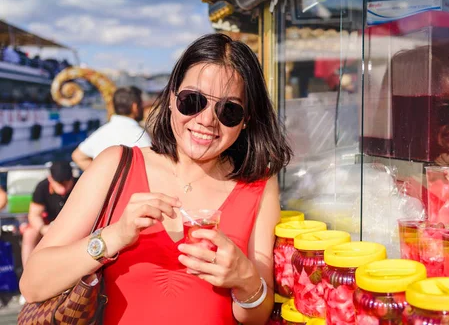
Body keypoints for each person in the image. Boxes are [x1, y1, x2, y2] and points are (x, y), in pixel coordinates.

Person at [20, 34, 292, 325]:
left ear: (247, 118)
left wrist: (246, 280)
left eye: (229, 110)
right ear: (172, 99)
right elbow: (33, 283)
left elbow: (256, 316)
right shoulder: (115, 165)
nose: (207, 120)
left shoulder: (259, 185)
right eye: (193, 101)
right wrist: (115, 236)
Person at [71, 86, 151, 170]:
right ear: (134, 107)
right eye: (142, 104)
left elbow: (78, 156)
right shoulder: (139, 135)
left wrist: (100, 176)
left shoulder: (102, 132)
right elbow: (152, 164)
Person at [21, 161, 77, 267]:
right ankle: (28, 273)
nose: (63, 188)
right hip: (49, 224)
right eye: (59, 184)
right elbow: (34, 214)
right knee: (29, 234)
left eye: (66, 183)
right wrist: (43, 228)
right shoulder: (42, 187)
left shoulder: (81, 185)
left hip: (75, 224)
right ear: (50, 179)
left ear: (72, 179)